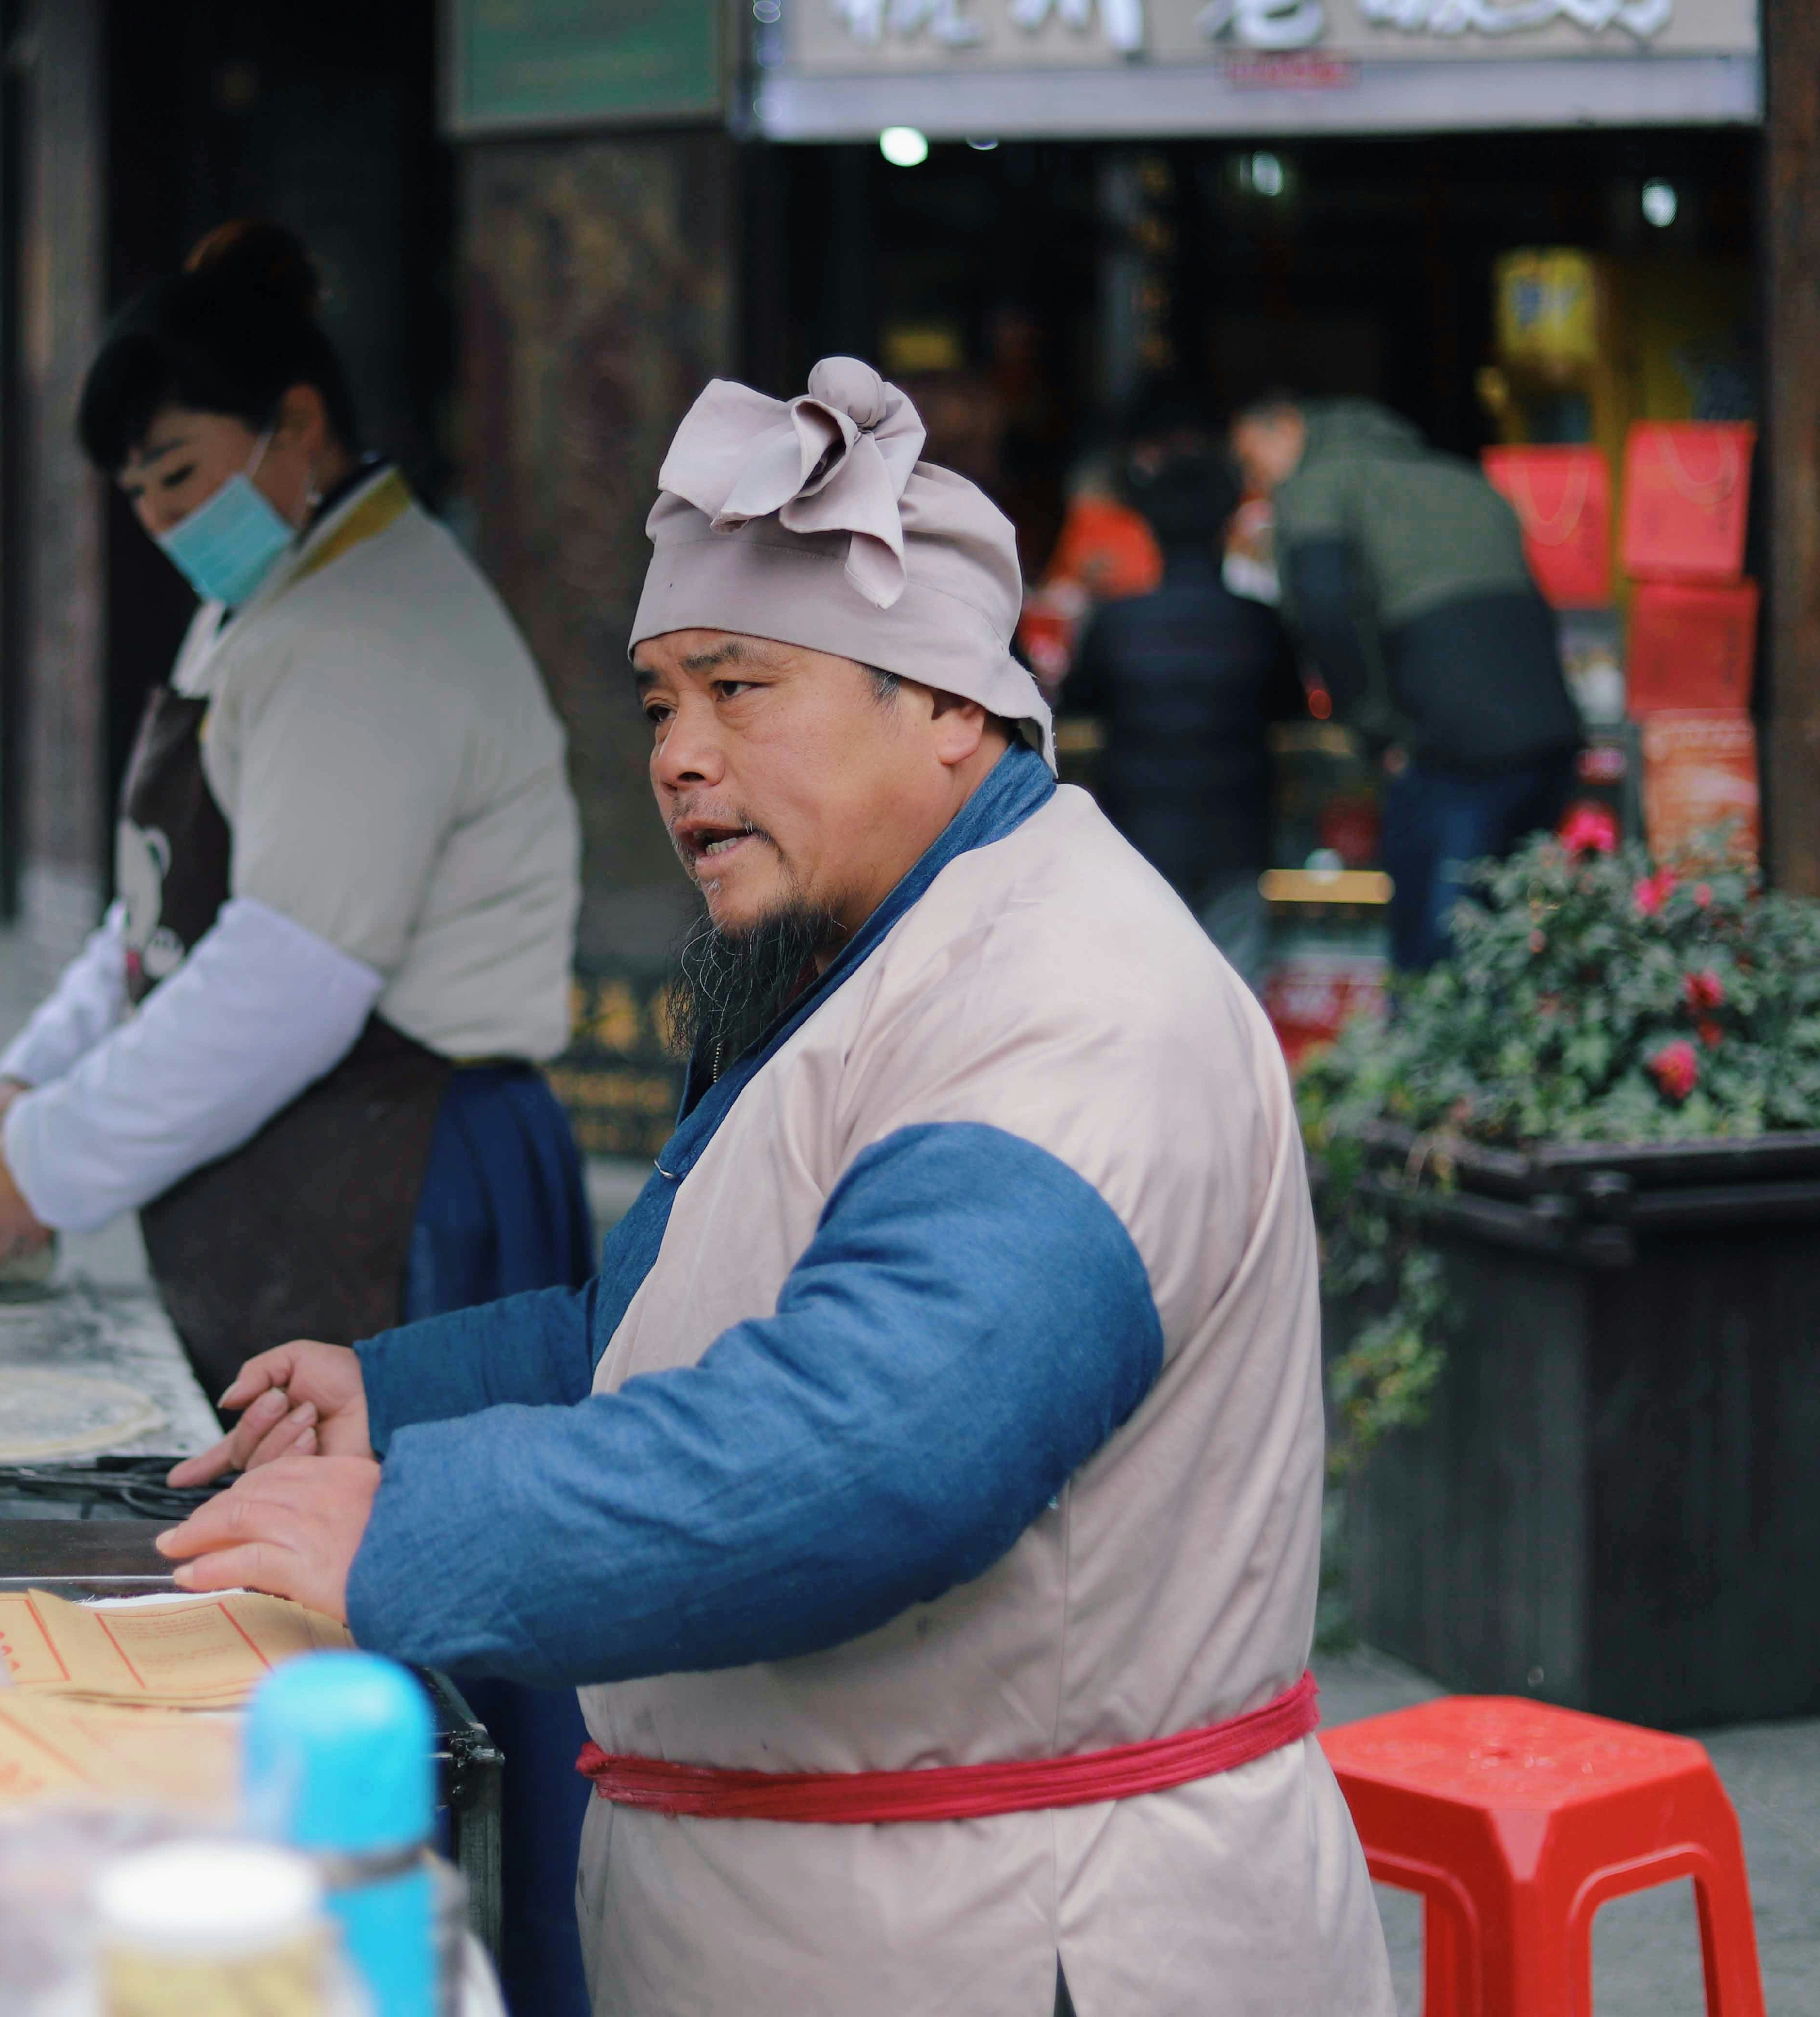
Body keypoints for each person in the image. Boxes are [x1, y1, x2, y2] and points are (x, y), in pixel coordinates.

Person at [156, 359, 1389, 2017]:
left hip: (1037, 1944)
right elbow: (677, 1325)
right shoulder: (872, 948)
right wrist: (386, 1395)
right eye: (663, 702)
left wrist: (408, 1528)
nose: (680, 755)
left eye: (742, 691)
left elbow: (871, 1449)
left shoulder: (1071, 1005)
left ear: (950, 707)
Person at [0, 221, 592, 2014]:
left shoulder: (374, 628)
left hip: (419, 1185)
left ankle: (412, 1962)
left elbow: (282, 983)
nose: (157, 518)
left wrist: (43, 1167)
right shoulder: (270, 601)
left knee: (403, 1647)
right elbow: (158, 932)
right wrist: (30, 1083)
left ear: (297, 432)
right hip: (318, 1162)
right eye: (135, 489)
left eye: (181, 471)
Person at [1231, 390, 1581, 969]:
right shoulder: (1461, 477)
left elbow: (1324, 614)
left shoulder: (1316, 486)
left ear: (1285, 428)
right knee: (1510, 948)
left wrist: (1373, 727)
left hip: (1455, 744)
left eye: (1251, 460)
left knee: (1434, 964)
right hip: (1551, 736)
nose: (1255, 480)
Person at [1058, 448, 1307, 985]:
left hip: (1137, 833)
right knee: (1235, 990)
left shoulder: (1116, 622)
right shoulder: (1258, 622)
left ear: (1149, 528)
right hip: (1238, 831)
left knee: (1142, 985)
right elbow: (1296, 712)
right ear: (1227, 525)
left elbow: (1075, 708)